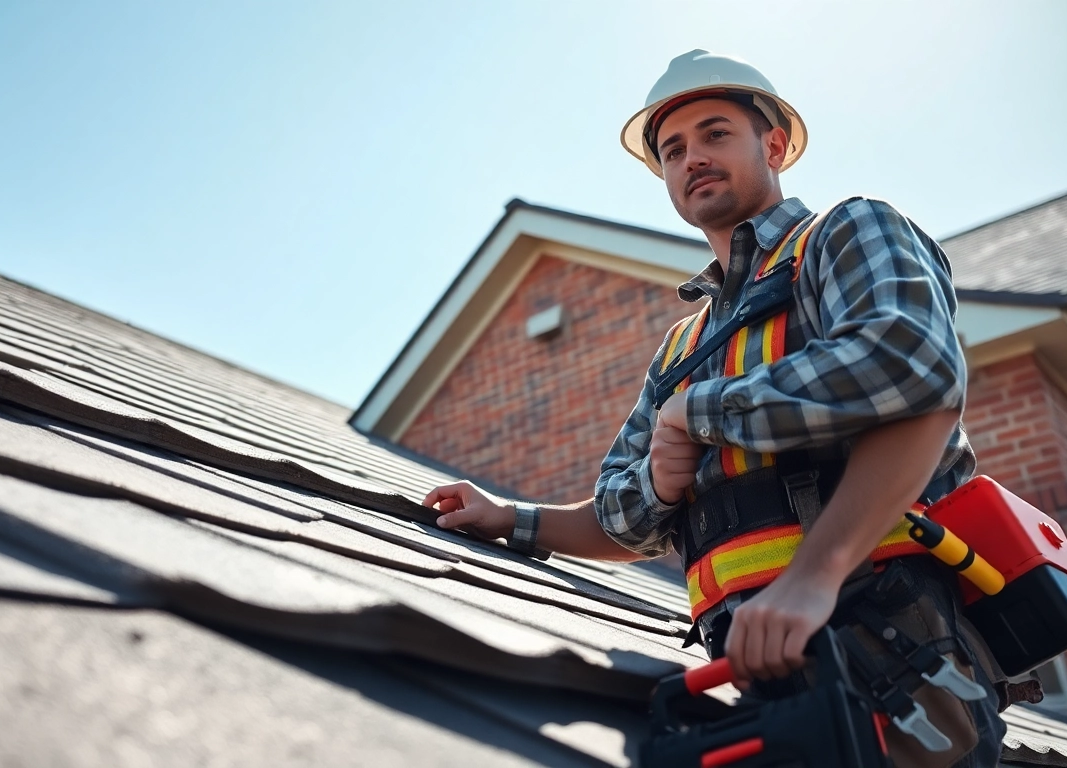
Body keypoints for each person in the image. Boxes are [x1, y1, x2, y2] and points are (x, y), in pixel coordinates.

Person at [423, 50, 1007, 767]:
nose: (692, 157)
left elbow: (911, 364)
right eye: (673, 149)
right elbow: (618, 513)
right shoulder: (682, 347)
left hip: (895, 644)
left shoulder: (847, 233)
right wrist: (516, 517)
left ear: (775, 144)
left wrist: (804, 568)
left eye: (715, 133)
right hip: (757, 670)